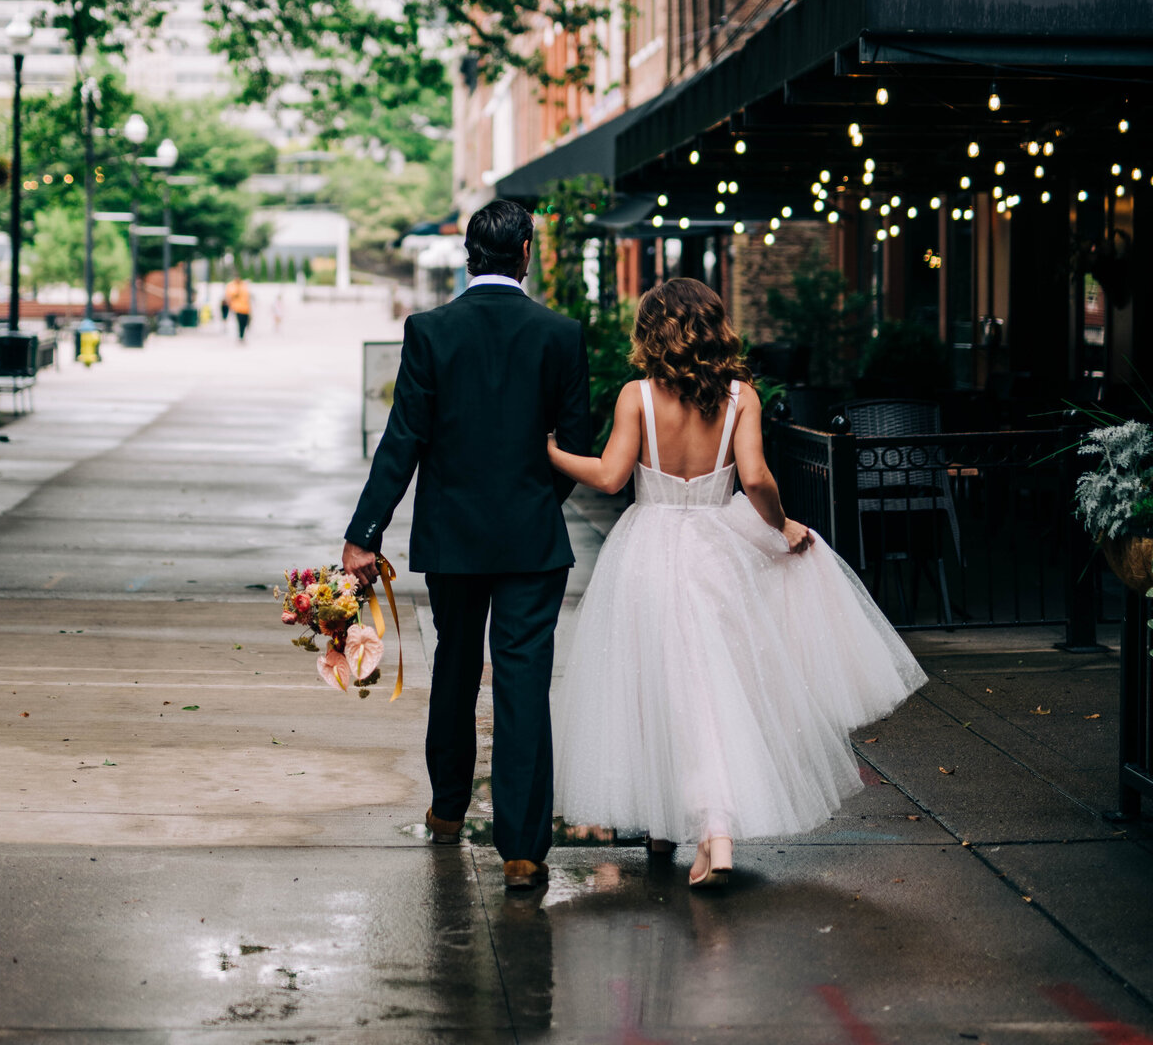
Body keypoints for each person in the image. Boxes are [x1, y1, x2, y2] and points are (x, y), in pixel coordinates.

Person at [548, 277, 926, 889]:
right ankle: (711, 833)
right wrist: (781, 528)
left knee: (655, 688)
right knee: (712, 690)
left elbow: (612, 475)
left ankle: (694, 828)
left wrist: (551, 453)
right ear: (715, 327)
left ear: (653, 331)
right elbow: (755, 479)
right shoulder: (740, 396)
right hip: (716, 551)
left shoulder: (636, 396)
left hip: (646, 552)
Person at [342, 198, 593, 891]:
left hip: (451, 539)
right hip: (532, 541)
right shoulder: (561, 333)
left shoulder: (430, 330)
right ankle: (521, 850)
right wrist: (537, 504)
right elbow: (575, 447)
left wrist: (364, 534)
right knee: (522, 684)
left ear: (467, 256)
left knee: (455, 667)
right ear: (527, 253)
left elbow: (402, 441)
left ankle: (449, 809)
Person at [224, 276, 252, 341]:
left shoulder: (244, 285)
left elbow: (248, 297)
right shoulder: (232, 286)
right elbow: (229, 296)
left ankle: (242, 334)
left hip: (246, 309)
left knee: (244, 323)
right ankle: (241, 335)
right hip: (237, 308)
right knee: (240, 322)